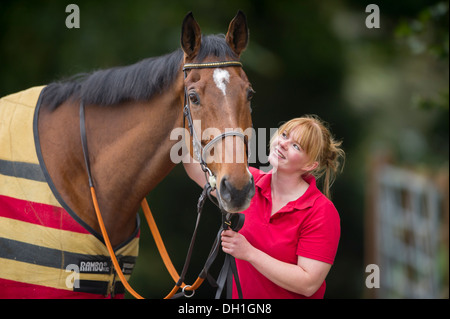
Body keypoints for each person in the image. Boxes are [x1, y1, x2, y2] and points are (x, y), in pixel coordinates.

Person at [183, 115, 345, 299]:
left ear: (310, 165)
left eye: (296, 146)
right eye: (284, 135)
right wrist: (177, 128)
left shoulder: (321, 212)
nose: (283, 144)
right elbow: (196, 170)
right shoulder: (247, 182)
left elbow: (308, 283)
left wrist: (249, 252)